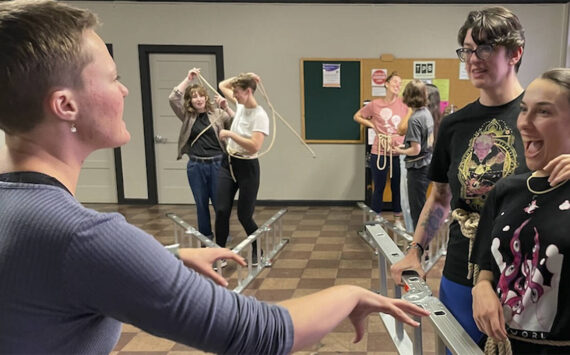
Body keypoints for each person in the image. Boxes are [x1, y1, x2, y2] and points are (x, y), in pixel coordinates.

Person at [0, 1, 430, 353]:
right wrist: (351, 294)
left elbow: (56, 276)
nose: (124, 90)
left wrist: (164, 261)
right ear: (65, 105)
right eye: (113, 77)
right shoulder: (84, 239)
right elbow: (259, 332)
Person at [391, 6, 529, 347]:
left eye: (485, 48)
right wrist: (415, 250)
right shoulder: (454, 125)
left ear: (515, 52)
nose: (473, 58)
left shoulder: (539, 117)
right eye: (467, 50)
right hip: (461, 269)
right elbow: (440, 197)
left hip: (523, 271)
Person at [471, 68, 570, 354]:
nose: (524, 124)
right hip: (501, 347)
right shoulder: (507, 190)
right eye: (524, 109)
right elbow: (485, 264)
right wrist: (481, 289)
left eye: (543, 112)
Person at [169, 68, 233, 241]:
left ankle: (222, 236)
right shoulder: (187, 116)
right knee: (201, 204)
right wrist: (188, 79)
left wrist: (226, 106)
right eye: (194, 96)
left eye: (201, 95)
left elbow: (235, 124)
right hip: (196, 166)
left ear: (206, 97)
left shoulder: (218, 114)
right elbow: (173, 98)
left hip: (218, 164)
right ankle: (206, 238)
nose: (198, 99)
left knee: (220, 205)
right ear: (190, 100)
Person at [215, 73, 267, 262]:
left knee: (244, 215)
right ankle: (219, 253)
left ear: (248, 91)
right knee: (221, 210)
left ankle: (257, 249)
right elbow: (222, 85)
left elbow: (254, 145)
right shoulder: (240, 104)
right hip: (228, 163)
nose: (234, 96)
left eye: (237, 93)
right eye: (234, 93)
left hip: (247, 167)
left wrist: (230, 134)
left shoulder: (260, 115)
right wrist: (246, 75)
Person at [354, 72, 410, 228]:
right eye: (395, 82)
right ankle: (376, 218)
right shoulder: (375, 104)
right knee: (378, 187)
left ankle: (398, 219)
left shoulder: (404, 105)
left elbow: (408, 124)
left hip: (398, 153)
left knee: (396, 187)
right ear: (386, 84)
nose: (397, 85)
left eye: (400, 83)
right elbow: (357, 116)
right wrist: (372, 125)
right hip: (379, 152)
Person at [394, 80, 434, 230]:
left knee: (417, 210)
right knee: (422, 207)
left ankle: (420, 248)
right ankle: (423, 246)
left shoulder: (414, 119)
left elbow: (415, 149)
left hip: (417, 169)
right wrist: (405, 145)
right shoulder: (426, 113)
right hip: (427, 164)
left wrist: (400, 150)